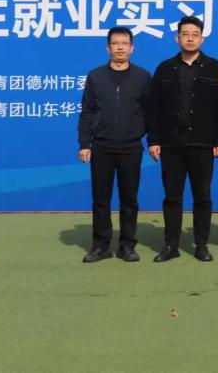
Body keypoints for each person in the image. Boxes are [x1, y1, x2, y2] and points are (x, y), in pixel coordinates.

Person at [146, 16, 218, 263]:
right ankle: (171, 245)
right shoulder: (164, 68)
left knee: (202, 197)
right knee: (172, 197)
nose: (190, 38)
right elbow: (153, 107)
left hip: (203, 143)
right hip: (171, 144)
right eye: (185, 34)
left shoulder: (214, 67)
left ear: (202, 39)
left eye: (195, 34)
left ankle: (201, 245)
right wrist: (153, 140)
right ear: (177, 38)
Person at [77, 26, 151, 263]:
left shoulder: (143, 77)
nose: (120, 48)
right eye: (115, 43)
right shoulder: (95, 76)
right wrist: (84, 143)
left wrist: (152, 140)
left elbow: (150, 113)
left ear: (132, 48)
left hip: (131, 147)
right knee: (101, 200)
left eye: (124, 43)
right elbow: (87, 112)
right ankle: (101, 246)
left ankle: (127, 246)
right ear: (107, 48)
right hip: (102, 146)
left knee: (129, 200)